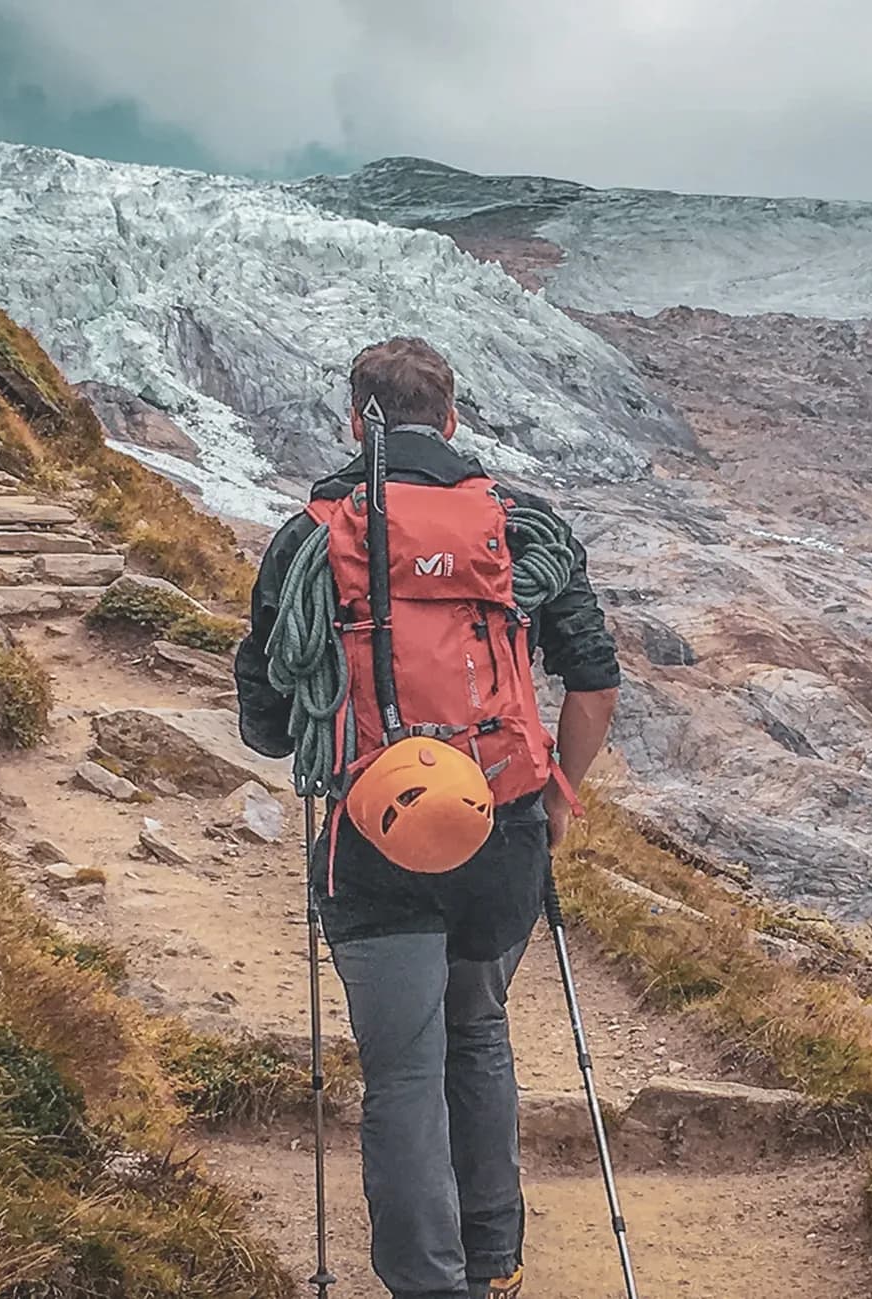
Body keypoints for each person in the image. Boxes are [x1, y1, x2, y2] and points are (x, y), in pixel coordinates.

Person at [234, 336, 621, 1299]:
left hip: (371, 833)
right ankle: (495, 1259)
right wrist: (555, 798)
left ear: (352, 418)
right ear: (450, 419)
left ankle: (429, 1282)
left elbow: (267, 718)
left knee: (402, 1071)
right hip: (502, 824)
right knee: (479, 1030)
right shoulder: (523, 524)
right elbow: (594, 678)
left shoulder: (313, 535)